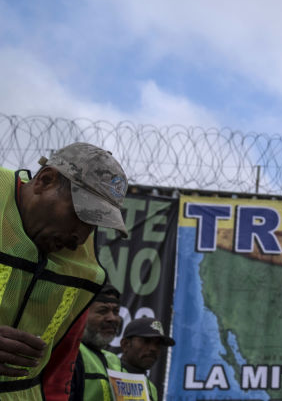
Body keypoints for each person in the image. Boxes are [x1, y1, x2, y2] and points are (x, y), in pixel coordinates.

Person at [0, 142, 129, 401]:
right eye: (80, 215)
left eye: (94, 225)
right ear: (45, 180)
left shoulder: (86, 271)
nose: (80, 238)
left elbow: (61, 369)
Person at [68, 284, 124, 401]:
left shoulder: (114, 361)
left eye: (116, 312)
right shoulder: (69, 354)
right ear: (81, 314)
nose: (112, 318)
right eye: (103, 311)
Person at [119, 317, 175, 401]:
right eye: (146, 341)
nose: (153, 348)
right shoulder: (107, 374)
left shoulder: (151, 388)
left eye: (158, 344)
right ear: (125, 344)